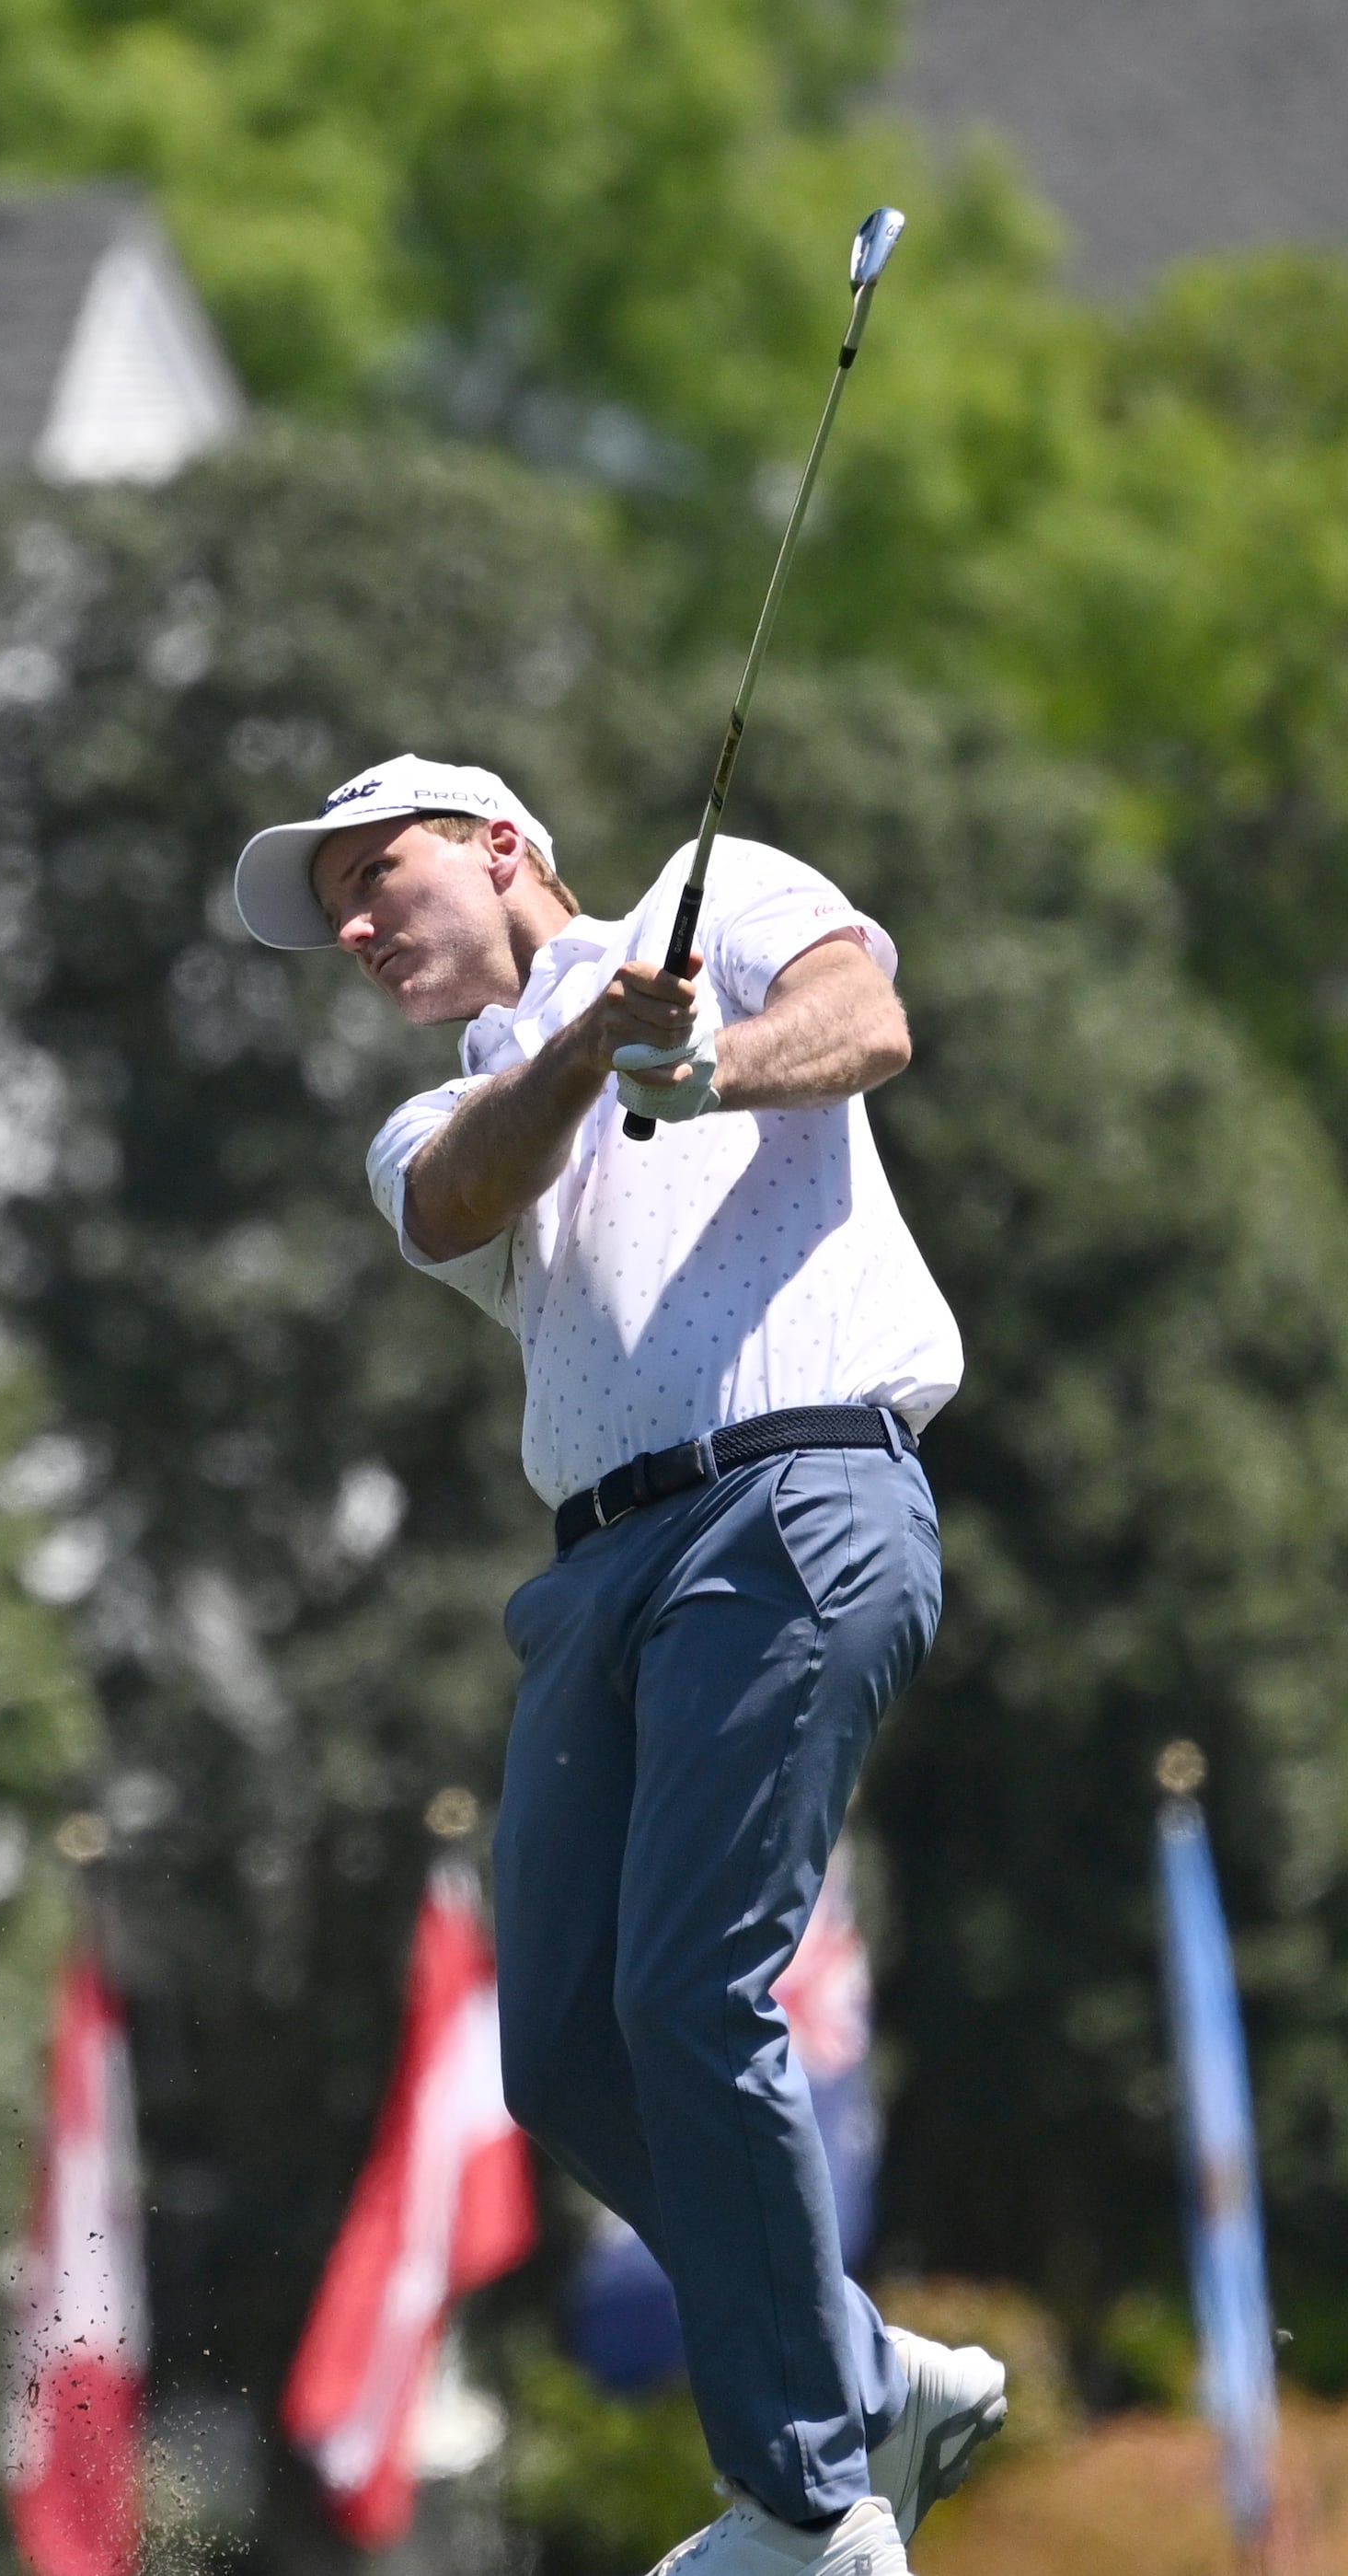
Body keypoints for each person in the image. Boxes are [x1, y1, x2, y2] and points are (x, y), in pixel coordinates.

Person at [235, 759, 1008, 2576]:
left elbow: (862, 1014)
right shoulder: (444, 1115)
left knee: (687, 1991)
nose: (353, 925)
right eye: (331, 905)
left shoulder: (707, 892)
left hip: (795, 1492)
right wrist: (596, 1053)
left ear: (502, 845)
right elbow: (456, 1195)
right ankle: (864, 2360)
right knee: (568, 2044)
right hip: (597, 1577)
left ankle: (813, 2504)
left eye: (378, 873)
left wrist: (704, 1055)